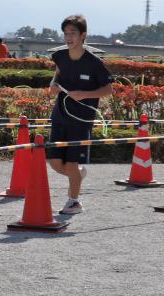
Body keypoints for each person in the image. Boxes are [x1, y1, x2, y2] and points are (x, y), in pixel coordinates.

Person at [45, 14, 114, 218]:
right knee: (55, 162)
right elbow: (57, 75)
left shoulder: (94, 62)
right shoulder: (59, 56)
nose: (68, 37)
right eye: (66, 33)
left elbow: (108, 89)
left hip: (82, 120)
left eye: (73, 33)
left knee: (72, 163)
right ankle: (78, 175)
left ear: (83, 35)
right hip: (59, 115)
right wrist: (53, 86)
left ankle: (74, 201)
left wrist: (85, 95)